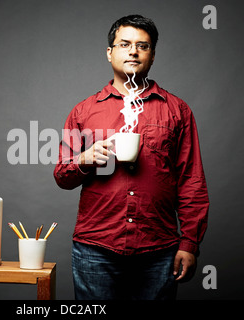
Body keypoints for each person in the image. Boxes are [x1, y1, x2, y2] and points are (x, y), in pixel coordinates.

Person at [53, 14, 209, 300]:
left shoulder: (178, 111)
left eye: (143, 46)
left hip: (159, 250)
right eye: (124, 44)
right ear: (110, 53)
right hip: (95, 248)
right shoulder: (83, 112)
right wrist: (85, 158)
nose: (134, 51)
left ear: (152, 56)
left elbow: (191, 181)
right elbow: (62, 177)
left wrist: (189, 244)